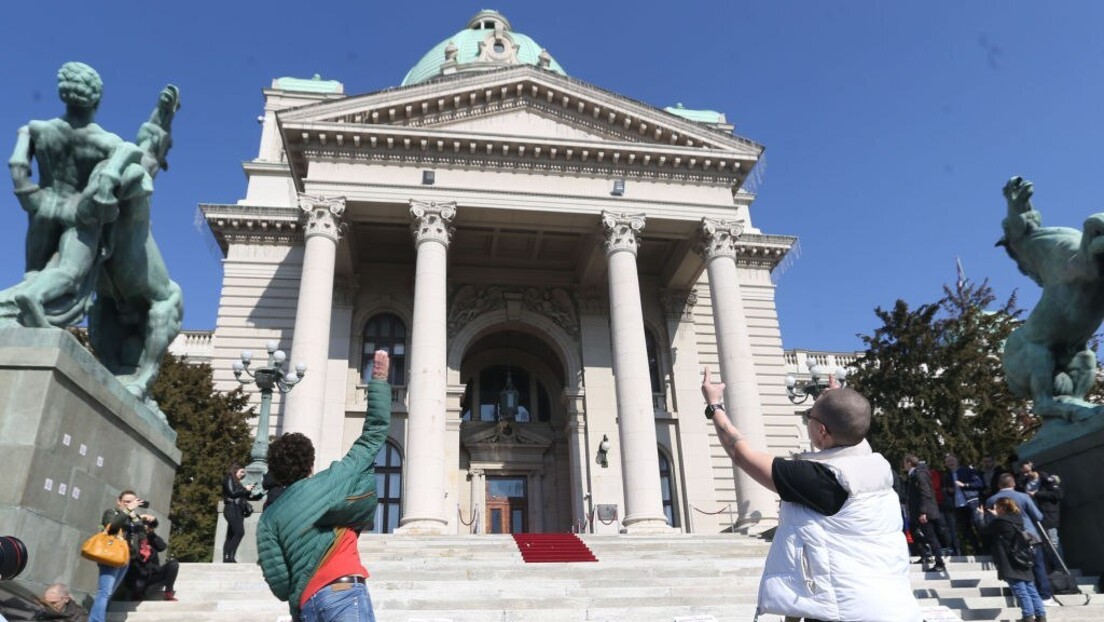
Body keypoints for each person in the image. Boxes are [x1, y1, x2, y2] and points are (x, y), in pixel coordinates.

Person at [700, 369, 922, 622]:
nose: (807, 421)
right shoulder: (881, 470)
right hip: (896, 606)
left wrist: (714, 405)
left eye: (810, 416)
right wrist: (834, 403)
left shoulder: (817, 480)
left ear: (822, 431)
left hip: (844, 613)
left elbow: (740, 453)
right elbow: (851, 430)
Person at [257, 350, 392, 622]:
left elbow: (281, 584)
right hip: (344, 591)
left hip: (307, 604)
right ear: (310, 464)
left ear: (276, 472)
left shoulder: (268, 519)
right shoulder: (334, 480)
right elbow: (373, 434)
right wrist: (378, 380)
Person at [975, 498, 1046, 622]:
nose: (995, 509)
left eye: (997, 507)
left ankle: (1028, 616)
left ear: (1002, 508)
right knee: (1030, 588)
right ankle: (1041, 616)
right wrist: (997, 516)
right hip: (1022, 559)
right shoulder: (1018, 520)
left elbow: (984, 529)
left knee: (1020, 590)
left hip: (1009, 561)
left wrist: (980, 516)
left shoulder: (1000, 522)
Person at [989, 473, 1054, 605]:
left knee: (1016, 569)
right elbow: (1038, 516)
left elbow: (991, 522)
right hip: (1029, 536)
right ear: (1013, 484)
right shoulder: (1023, 496)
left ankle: (1022, 597)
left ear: (998, 485)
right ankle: (1045, 596)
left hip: (1006, 540)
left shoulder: (991, 500)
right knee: (1037, 566)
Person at [90, 491, 152, 622]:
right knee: (104, 591)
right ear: (119, 501)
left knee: (109, 592)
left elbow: (142, 536)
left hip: (125, 558)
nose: (130, 504)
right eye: (126, 502)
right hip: (111, 556)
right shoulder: (111, 512)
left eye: (133, 501)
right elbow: (112, 528)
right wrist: (128, 510)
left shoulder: (132, 517)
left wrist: (137, 518)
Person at [903, 455, 947, 572]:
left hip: (924, 512)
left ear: (908, 463)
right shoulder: (914, 474)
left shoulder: (919, 474)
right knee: (914, 532)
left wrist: (923, 511)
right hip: (916, 513)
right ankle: (925, 555)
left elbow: (925, 493)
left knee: (931, 537)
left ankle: (939, 562)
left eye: (904, 463)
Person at [123, 518, 178, 601]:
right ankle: (138, 594)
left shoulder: (151, 538)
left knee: (173, 564)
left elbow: (162, 547)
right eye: (145, 524)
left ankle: (168, 592)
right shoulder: (133, 539)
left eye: (149, 526)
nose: (147, 527)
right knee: (138, 585)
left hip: (152, 573)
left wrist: (151, 533)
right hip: (137, 575)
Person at [944, 453, 985, 555]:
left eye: (952, 460)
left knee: (979, 526)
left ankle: (987, 550)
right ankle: (977, 551)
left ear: (957, 461)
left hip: (971, 502)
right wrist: (950, 491)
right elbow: (947, 491)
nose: (950, 463)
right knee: (966, 530)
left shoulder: (967, 471)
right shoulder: (947, 475)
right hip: (958, 506)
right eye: (948, 461)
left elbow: (979, 484)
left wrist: (965, 485)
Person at [221, 463, 256, 563]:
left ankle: (227, 557)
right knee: (239, 532)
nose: (242, 474)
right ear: (235, 470)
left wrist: (249, 491)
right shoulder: (228, 478)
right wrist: (245, 489)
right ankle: (230, 556)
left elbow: (241, 495)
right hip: (231, 508)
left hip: (237, 509)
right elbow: (232, 493)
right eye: (241, 472)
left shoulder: (237, 482)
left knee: (231, 534)